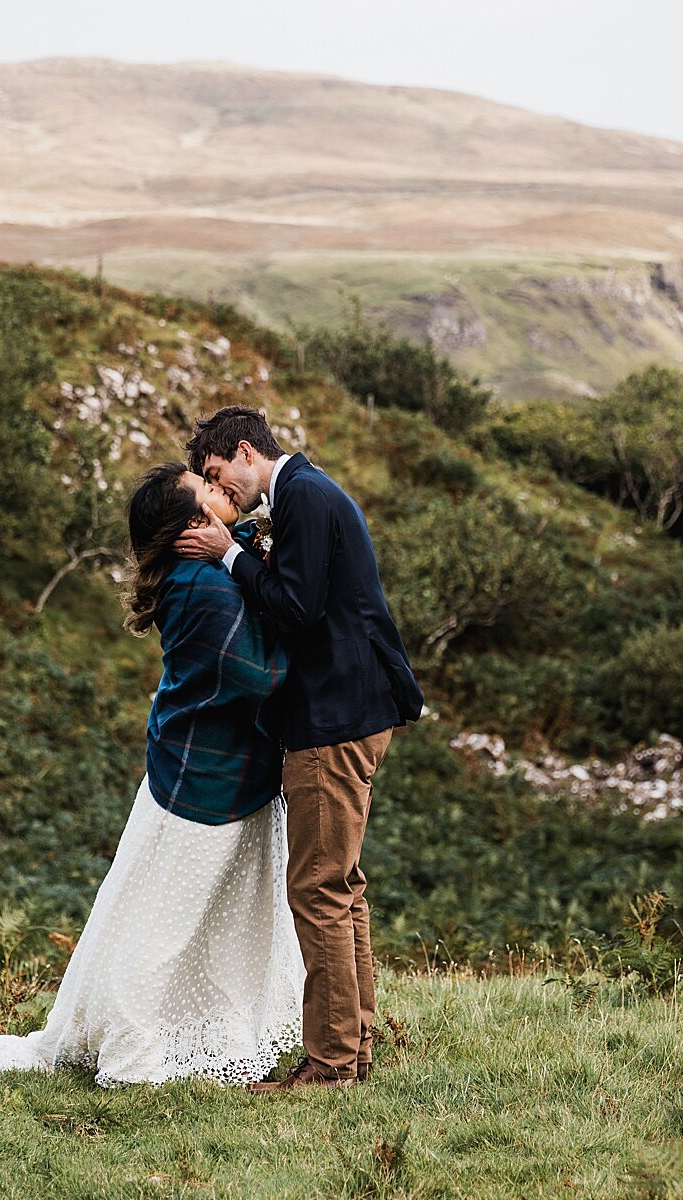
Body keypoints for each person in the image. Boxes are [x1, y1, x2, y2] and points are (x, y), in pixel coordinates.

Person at [0, 463, 303, 1087]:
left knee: (202, 920)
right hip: (207, 783)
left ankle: (210, 1034)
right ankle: (133, 1052)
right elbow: (263, 675)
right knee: (165, 927)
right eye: (207, 491)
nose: (222, 493)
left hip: (210, 771)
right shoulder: (206, 588)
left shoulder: (206, 573)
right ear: (193, 526)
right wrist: (320, 632)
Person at [175, 406, 423, 1092]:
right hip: (352, 711)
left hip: (333, 719)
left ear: (246, 451)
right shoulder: (306, 494)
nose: (215, 485)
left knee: (317, 890)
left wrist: (226, 554)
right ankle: (354, 1047)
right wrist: (252, 550)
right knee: (342, 889)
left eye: (216, 472)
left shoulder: (306, 496)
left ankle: (332, 1064)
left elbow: (299, 608)